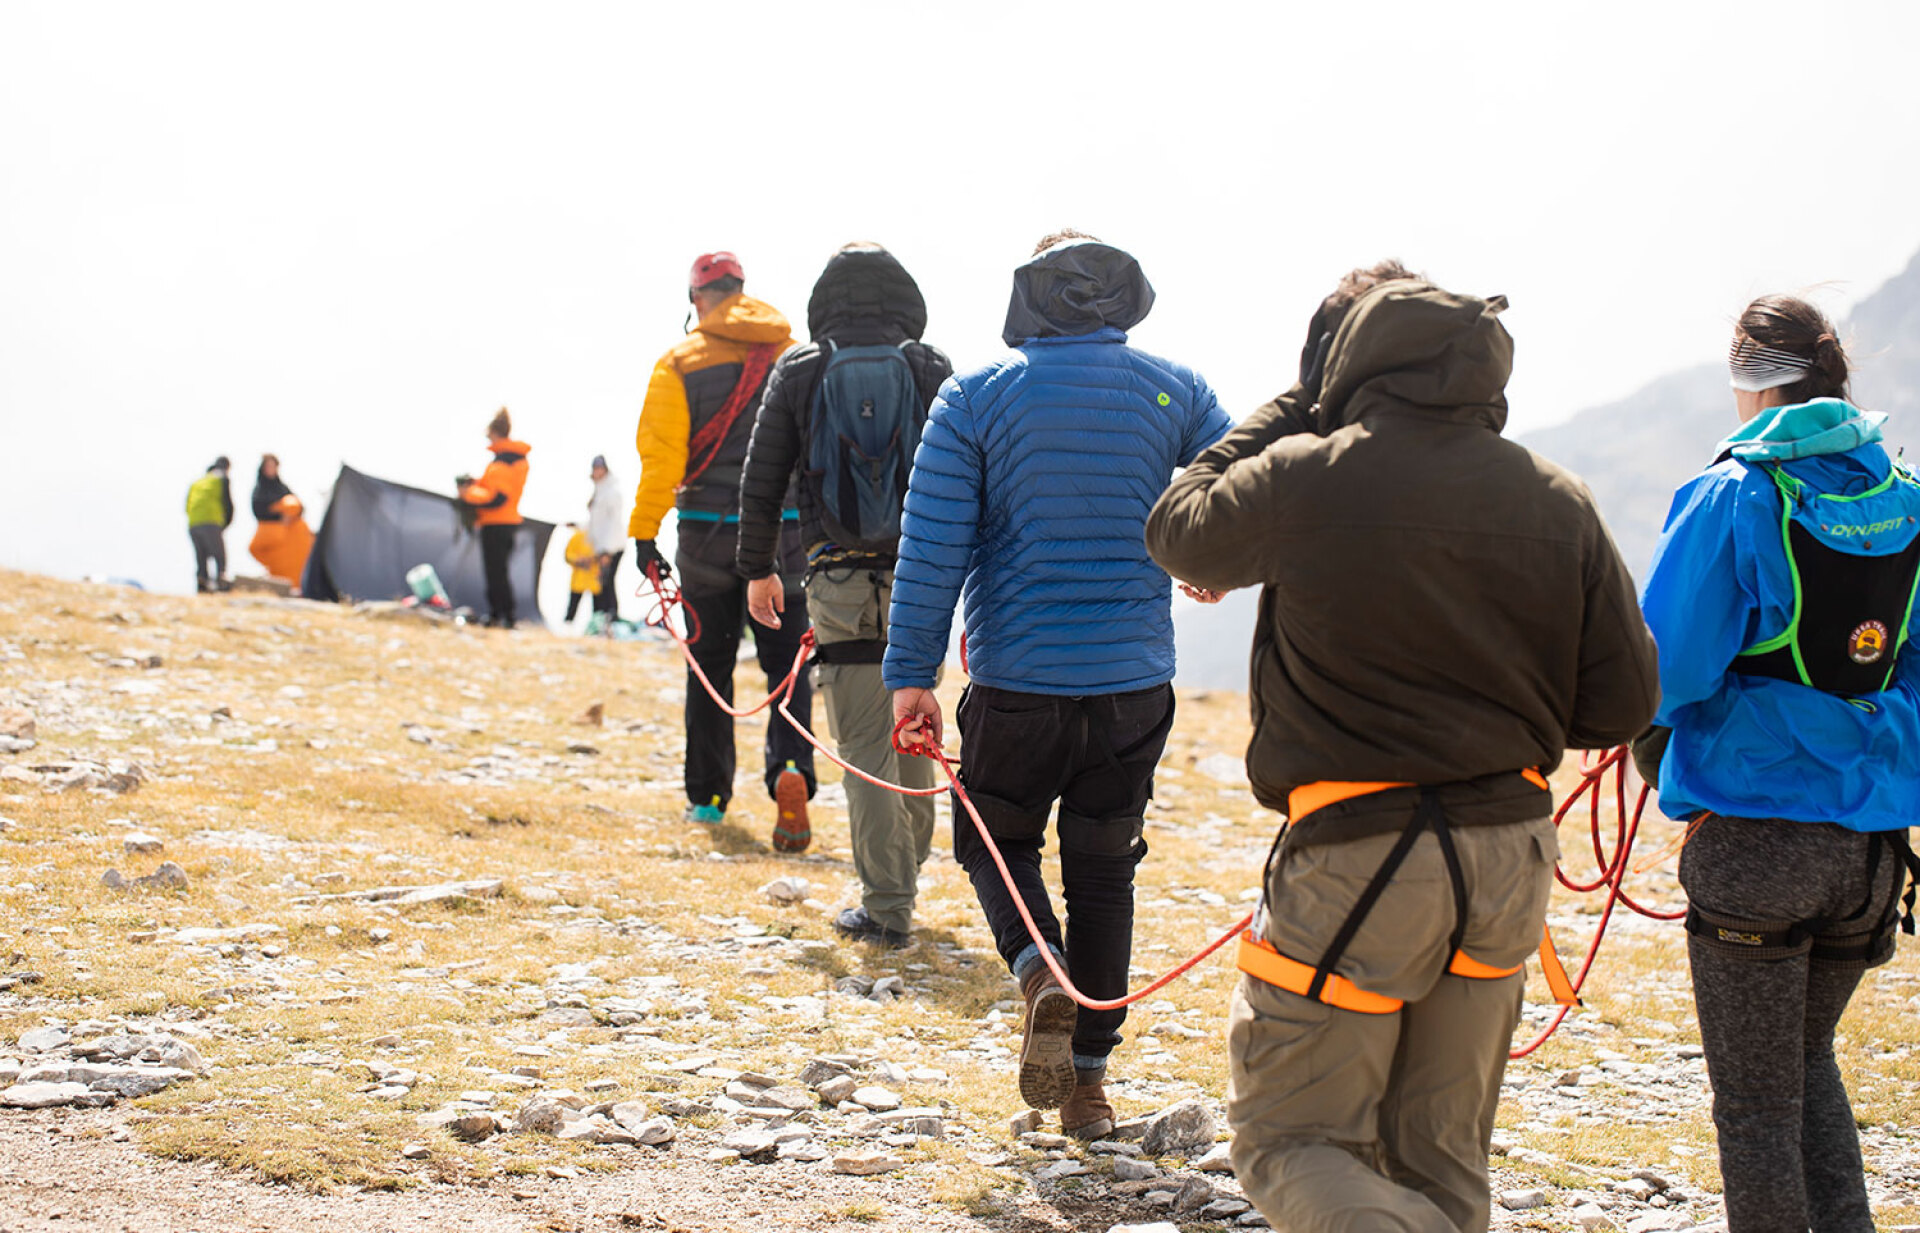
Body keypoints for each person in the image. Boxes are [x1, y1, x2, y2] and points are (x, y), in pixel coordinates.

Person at [1144, 263, 1659, 1232]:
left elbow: (1179, 529)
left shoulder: (1311, 473)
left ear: (1358, 365)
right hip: (1510, 859)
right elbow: (1620, 706)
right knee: (1442, 1156)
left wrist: (1302, 403)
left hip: (1360, 854)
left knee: (1291, 1145)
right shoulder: (1560, 498)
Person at [886, 231, 1231, 1135]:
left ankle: (1040, 971)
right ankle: (1088, 1087)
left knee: (991, 841)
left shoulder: (976, 399)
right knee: (1105, 870)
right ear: (1123, 296)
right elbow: (1239, 478)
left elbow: (932, 550)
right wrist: (1212, 556)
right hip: (1131, 683)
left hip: (1018, 680)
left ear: (1030, 296)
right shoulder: (1177, 390)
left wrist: (910, 675)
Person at [1636, 296, 1920, 1233]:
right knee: (1806, 1066)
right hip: (1874, 849)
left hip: (1756, 836)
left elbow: (1666, 668)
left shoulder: (1735, 492)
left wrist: (1647, 734)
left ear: (1748, 378)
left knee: (1754, 1109)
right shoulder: (1906, 496)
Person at [737, 242, 954, 947]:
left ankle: (887, 905)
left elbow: (763, 478)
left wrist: (759, 568)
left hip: (835, 576)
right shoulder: (929, 367)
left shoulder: (800, 369)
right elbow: (965, 478)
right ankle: (904, 867)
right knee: (914, 728)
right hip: (922, 577)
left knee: (865, 741)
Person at [628, 252, 816, 845]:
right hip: (785, 536)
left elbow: (662, 458)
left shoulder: (680, 361)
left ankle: (708, 799)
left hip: (705, 536)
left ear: (697, 300)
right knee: (787, 668)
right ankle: (790, 769)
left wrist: (643, 533)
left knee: (708, 666)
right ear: (743, 290)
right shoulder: (795, 356)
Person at [459, 408, 531, 629]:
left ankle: (502, 616)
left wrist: (468, 494)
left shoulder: (505, 462)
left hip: (498, 523)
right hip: (503, 522)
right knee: (497, 571)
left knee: (496, 572)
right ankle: (501, 614)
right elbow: (495, 487)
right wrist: (477, 482)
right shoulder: (506, 460)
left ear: (496, 433)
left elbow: (498, 497)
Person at [248, 453, 314, 589]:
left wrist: (289, 515)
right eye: (268, 466)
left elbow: (299, 507)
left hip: (291, 538)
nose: (271, 469)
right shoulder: (259, 490)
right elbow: (258, 509)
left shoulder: (282, 488)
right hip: (272, 536)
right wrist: (279, 516)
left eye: (273, 466)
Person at [587, 455, 627, 624]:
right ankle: (601, 618)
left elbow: (613, 523)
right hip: (600, 546)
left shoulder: (612, 492)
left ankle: (610, 617)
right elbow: (597, 522)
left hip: (612, 546)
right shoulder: (599, 490)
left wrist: (606, 550)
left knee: (607, 582)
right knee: (600, 583)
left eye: (600, 468)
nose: (597, 472)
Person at [185, 456, 233, 593]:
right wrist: (225, 524)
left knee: (201, 556)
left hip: (194, 523)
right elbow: (227, 503)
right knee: (219, 556)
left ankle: (202, 584)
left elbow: (187, 505)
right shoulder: (221, 478)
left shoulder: (198, 482)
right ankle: (221, 583)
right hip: (211, 522)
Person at [562, 521, 600, 625]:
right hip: (579, 576)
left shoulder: (599, 537)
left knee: (598, 605)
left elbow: (603, 555)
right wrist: (578, 560)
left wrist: (592, 559)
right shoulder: (577, 537)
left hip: (594, 576)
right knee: (574, 602)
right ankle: (568, 623)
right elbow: (568, 555)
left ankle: (596, 624)